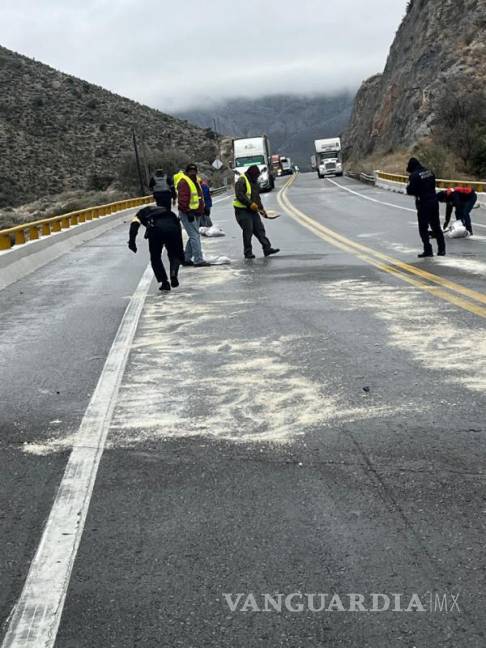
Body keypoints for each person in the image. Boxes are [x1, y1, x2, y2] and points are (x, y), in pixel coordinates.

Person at [128, 204, 184, 291]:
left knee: (155, 257)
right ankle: (173, 274)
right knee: (174, 254)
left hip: (156, 230)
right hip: (173, 228)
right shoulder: (167, 211)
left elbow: (134, 225)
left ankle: (164, 282)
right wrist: (180, 252)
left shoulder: (140, 213)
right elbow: (178, 226)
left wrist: (132, 242)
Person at [233, 165, 280, 259]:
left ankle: (267, 248)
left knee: (260, 229)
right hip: (242, 211)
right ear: (252, 174)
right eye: (256, 175)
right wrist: (250, 204)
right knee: (248, 231)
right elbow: (240, 195)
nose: (257, 177)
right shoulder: (242, 180)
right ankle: (248, 253)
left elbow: (256, 198)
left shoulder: (254, 182)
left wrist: (262, 210)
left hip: (252, 210)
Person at [406, 157, 446, 258]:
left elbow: (410, 191)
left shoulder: (414, 176)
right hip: (434, 201)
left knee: (423, 228)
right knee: (436, 226)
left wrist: (409, 186)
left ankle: (428, 250)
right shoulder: (430, 172)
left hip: (423, 203)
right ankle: (442, 249)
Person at [177, 163, 210, 267]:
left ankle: (186, 259)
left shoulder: (195, 181)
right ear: (187, 172)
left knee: (194, 236)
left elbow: (199, 197)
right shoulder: (184, 182)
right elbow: (182, 199)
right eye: (191, 171)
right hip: (188, 213)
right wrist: (188, 211)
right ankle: (198, 260)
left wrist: (204, 208)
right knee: (195, 236)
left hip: (196, 212)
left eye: (194, 171)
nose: (193, 173)